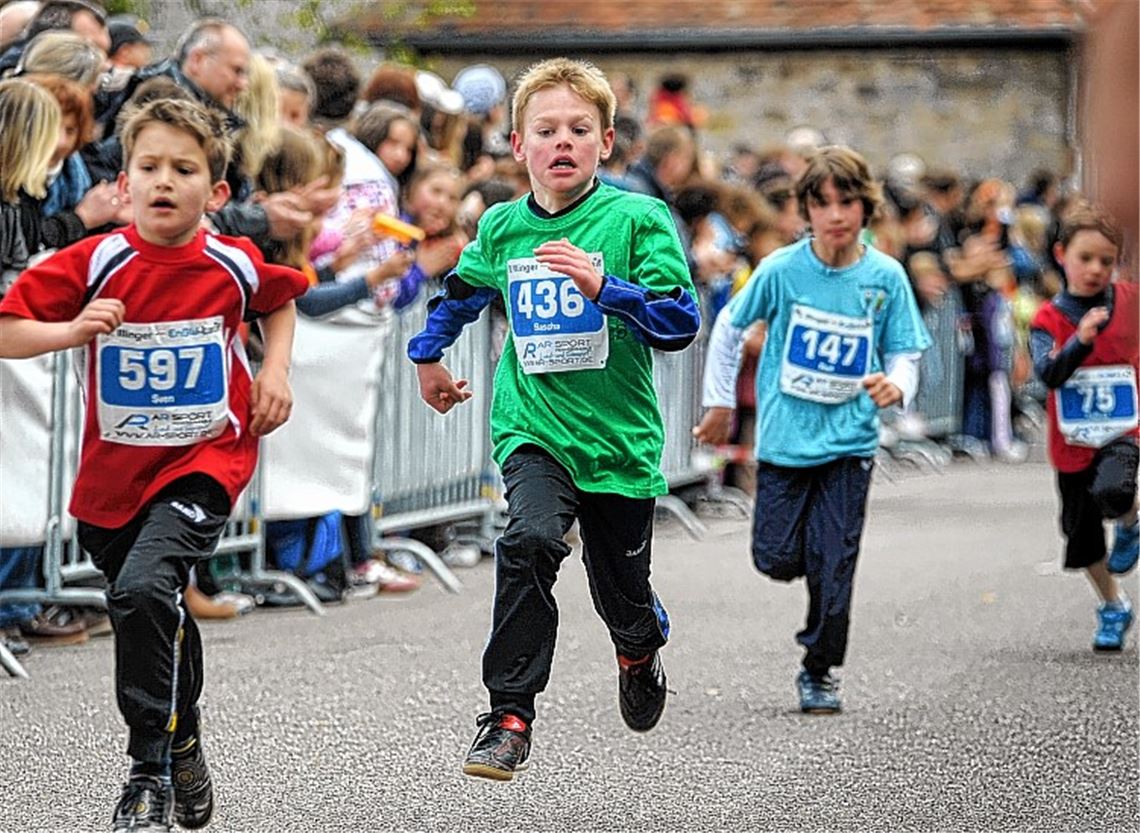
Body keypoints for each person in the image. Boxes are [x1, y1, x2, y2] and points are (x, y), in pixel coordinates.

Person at [0, 97, 307, 832]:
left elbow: (281, 300)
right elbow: (9, 328)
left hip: (206, 459)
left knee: (145, 589)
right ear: (125, 182)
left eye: (184, 169)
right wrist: (73, 328)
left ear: (218, 191)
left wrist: (275, 375)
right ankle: (186, 738)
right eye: (149, 167)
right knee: (147, 605)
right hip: (113, 477)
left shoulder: (230, 261)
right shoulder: (98, 258)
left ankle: (146, 772)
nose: (164, 182)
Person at [407, 57, 700, 781]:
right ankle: (508, 713)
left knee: (620, 596)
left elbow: (680, 319)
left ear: (606, 142)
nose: (561, 141)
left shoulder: (637, 217)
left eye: (578, 128)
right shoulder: (504, 225)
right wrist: (427, 356)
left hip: (620, 440)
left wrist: (608, 288)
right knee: (530, 537)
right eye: (546, 129)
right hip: (533, 426)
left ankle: (639, 647)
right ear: (518, 145)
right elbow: (462, 289)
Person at [694, 145, 931, 715]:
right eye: (821, 203)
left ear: (865, 206)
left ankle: (819, 668)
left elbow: (906, 351)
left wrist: (897, 385)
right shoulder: (782, 269)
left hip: (849, 444)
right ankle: (813, 559)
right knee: (775, 557)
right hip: (783, 442)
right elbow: (729, 328)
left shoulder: (885, 276)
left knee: (835, 562)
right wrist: (719, 403)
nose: (835, 214)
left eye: (846, 201)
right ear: (804, 211)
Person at [1028, 204, 1138, 651]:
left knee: (1113, 490)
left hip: (1123, 431)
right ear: (1061, 254)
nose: (1096, 270)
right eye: (1085, 258)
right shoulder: (1046, 320)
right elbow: (1048, 373)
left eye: (1106, 261)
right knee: (1082, 537)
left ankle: (1131, 519)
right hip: (1072, 440)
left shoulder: (1131, 303)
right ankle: (1113, 604)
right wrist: (1080, 341)